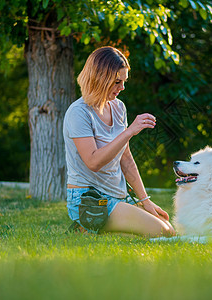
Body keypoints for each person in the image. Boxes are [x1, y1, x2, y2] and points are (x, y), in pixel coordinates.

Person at [63, 46, 175, 237]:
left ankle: (93, 230)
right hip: (89, 199)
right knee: (160, 231)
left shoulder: (118, 108)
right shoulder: (78, 112)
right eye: (117, 81)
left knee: (169, 229)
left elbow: (127, 160)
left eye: (124, 81)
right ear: (100, 78)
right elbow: (93, 162)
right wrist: (129, 131)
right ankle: (86, 224)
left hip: (117, 196)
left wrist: (145, 201)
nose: (122, 88)